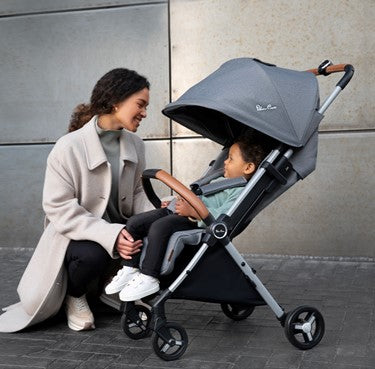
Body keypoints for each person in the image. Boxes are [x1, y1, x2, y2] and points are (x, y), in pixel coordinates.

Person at [0, 68, 154, 333]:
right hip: (76, 238)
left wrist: (157, 212)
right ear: (116, 101)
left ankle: (110, 286)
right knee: (91, 254)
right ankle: (76, 295)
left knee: (156, 236)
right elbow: (59, 207)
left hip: (122, 232)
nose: (145, 113)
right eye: (140, 104)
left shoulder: (136, 144)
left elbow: (139, 193)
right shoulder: (68, 146)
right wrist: (111, 234)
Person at [105, 132, 266, 302]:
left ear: (248, 167)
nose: (225, 162)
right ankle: (130, 267)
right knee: (135, 223)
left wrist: (192, 212)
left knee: (159, 227)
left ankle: (149, 276)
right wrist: (175, 203)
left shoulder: (240, 192)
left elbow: (223, 216)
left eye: (231, 159)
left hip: (196, 221)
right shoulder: (219, 180)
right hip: (181, 210)